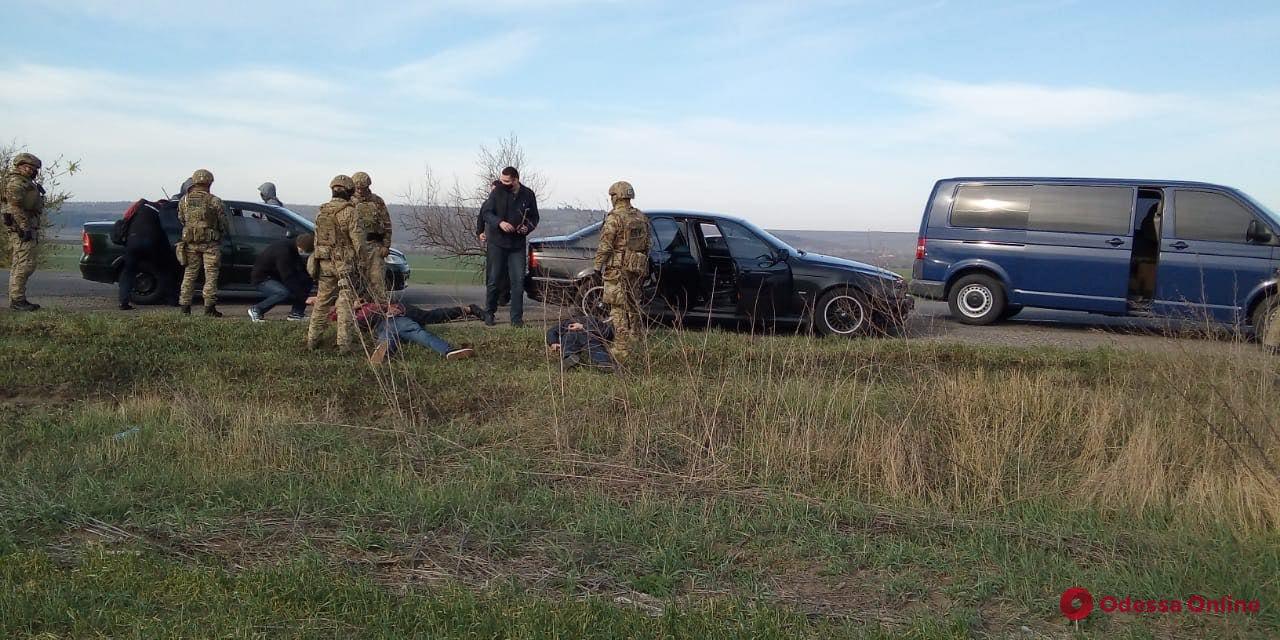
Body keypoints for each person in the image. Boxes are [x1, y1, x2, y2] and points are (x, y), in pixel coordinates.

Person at [593, 181, 651, 363]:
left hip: (617, 269)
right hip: (636, 267)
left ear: (615, 196)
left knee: (617, 307)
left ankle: (621, 347)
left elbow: (605, 245)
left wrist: (597, 266)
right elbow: (647, 243)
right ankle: (637, 338)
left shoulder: (614, 218)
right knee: (634, 303)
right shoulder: (641, 216)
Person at [306, 175, 362, 352]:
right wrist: (362, 263)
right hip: (344, 264)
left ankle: (312, 340)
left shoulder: (322, 211)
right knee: (345, 303)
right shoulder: (351, 212)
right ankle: (344, 345)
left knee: (322, 301)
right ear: (349, 191)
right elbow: (358, 242)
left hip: (324, 264)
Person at [480, 166, 539, 326]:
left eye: (506, 181)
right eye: (501, 180)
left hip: (517, 245)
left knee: (518, 282)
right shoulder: (497, 192)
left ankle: (516, 320)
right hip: (497, 243)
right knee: (494, 279)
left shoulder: (528, 194)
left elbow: (534, 217)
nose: (502, 183)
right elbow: (486, 213)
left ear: (515, 180)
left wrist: (528, 227)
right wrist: (500, 223)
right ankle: (489, 313)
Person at [341, 301, 481, 364]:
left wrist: (384, 307)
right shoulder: (347, 310)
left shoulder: (366, 304)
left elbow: (383, 306)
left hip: (395, 315)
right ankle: (448, 350)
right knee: (413, 331)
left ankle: (383, 350)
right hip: (386, 321)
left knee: (391, 334)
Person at [176, 169, 229, 317]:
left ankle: (185, 307)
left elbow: (181, 219)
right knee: (211, 274)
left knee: (189, 274)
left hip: (190, 243)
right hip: (210, 244)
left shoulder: (184, 200)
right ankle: (209, 308)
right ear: (210, 182)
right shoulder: (214, 200)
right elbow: (224, 223)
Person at [2, 153, 45, 311]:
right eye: (30, 168)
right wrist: (25, 227)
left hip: (26, 226)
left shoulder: (26, 182)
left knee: (20, 263)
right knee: (25, 264)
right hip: (21, 228)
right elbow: (14, 207)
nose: (33, 171)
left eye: (34, 169)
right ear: (20, 166)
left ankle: (17, 298)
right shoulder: (16, 183)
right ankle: (17, 300)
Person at [117, 201, 173, 311]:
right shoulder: (161, 212)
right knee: (164, 271)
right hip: (150, 245)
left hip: (133, 243)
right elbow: (164, 232)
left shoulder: (139, 208)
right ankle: (173, 300)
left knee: (128, 272)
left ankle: (124, 302)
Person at [248, 233, 314, 322]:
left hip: (277, 275)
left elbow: (299, 271)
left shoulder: (293, 248)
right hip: (263, 278)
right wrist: (305, 297)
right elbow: (288, 277)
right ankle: (257, 309)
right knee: (282, 293)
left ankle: (296, 314)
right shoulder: (283, 252)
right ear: (299, 246)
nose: (304, 254)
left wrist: (309, 278)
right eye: (303, 251)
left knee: (306, 280)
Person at [351, 171, 391, 302]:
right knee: (356, 282)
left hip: (374, 246)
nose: (360, 191)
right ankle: (358, 313)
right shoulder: (348, 201)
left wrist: (386, 245)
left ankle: (381, 310)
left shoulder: (377, 201)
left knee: (377, 280)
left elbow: (387, 224)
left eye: (363, 188)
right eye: (358, 188)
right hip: (354, 248)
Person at [477, 179, 511, 307]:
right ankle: (492, 297)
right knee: (492, 271)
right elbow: (481, 218)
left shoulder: (508, 204)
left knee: (506, 271)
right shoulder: (487, 203)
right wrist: (480, 233)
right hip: (492, 242)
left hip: (507, 242)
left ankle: (504, 296)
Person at [546, 315, 616, 371]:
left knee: (569, 344)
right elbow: (606, 333)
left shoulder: (567, 322)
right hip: (588, 335)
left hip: (578, 335)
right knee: (594, 347)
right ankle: (605, 362)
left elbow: (551, 332)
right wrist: (553, 342)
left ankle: (569, 358)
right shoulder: (593, 320)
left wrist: (553, 342)